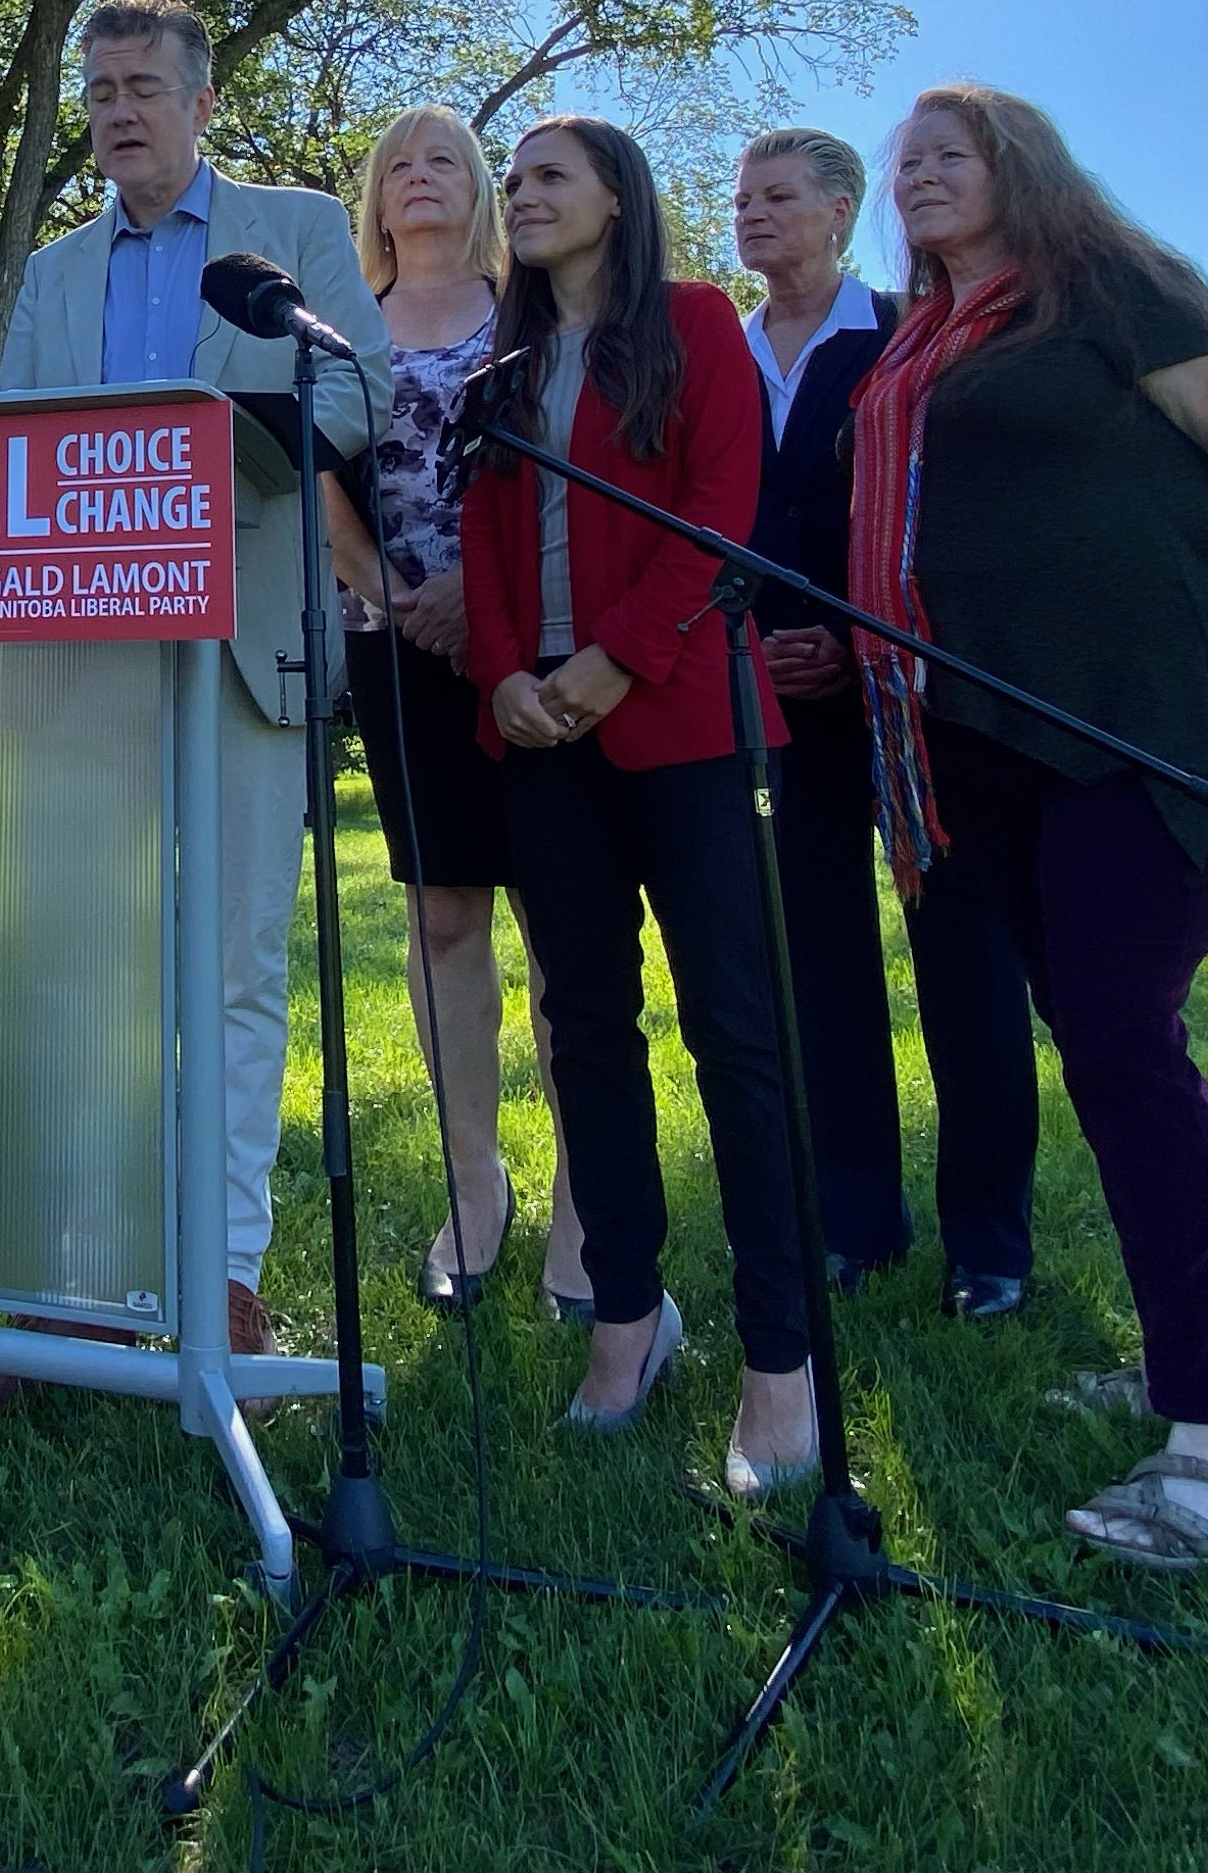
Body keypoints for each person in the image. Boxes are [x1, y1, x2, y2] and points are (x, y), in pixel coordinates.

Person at [853, 82, 1208, 1568]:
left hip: (1144, 722)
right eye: (905, 162)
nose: (921, 174)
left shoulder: (1115, 289)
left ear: (1023, 169)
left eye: (954, 153)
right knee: (1104, 1051)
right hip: (991, 739)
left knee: (1128, 1042)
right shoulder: (926, 340)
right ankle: (1192, 1362)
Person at [0, 0, 387, 1361]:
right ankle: (71, 1269)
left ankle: (224, 1268)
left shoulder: (296, 232)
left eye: (143, 89)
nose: (117, 115)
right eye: (98, 94)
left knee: (232, 965)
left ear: (204, 102)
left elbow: (361, 391)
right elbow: (15, 443)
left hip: (242, 639)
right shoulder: (52, 272)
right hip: (82, 657)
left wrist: (213, 438)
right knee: (77, 968)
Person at [459, 115, 818, 1499]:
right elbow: (481, 543)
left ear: (618, 195)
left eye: (548, 174)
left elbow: (724, 508)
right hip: (540, 738)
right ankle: (629, 1315)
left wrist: (616, 658)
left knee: (738, 1033)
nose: (521, 195)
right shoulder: (501, 364)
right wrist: (501, 676)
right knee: (586, 1034)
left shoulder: (693, 323)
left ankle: (778, 1360)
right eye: (516, 180)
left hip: (680, 722)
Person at [735, 125, 1041, 1321]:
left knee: (966, 958)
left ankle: (990, 1242)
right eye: (741, 198)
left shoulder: (904, 334)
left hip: (917, 695)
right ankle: (854, 1221)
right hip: (772, 692)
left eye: (778, 197)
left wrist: (860, 637)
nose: (751, 215)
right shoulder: (723, 345)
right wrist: (763, 644)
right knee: (820, 969)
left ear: (842, 210)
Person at [318, 104, 585, 1314]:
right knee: (441, 921)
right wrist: (392, 593)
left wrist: (481, 610)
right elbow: (320, 485)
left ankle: (589, 1203)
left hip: (534, 651)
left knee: (561, 922)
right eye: (397, 168)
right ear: (373, 204)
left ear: (481, 195)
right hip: (394, 643)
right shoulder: (338, 333)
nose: (419, 181)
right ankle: (475, 1190)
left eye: (446, 164)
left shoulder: (530, 315)